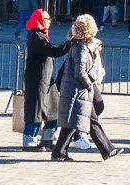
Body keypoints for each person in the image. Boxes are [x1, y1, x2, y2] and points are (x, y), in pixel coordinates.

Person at [50, 14, 120, 161]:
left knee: (82, 120)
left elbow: (86, 68)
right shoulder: (80, 48)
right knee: (80, 121)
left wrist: (94, 54)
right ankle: (105, 150)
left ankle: (106, 150)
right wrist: (88, 85)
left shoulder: (80, 47)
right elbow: (81, 71)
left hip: (77, 89)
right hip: (78, 90)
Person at [21, 9, 68, 150]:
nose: (49, 22)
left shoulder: (41, 35)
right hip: (37, 80)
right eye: (46, 19)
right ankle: (29, 142)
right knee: (35, 111)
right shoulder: (36, 36)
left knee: (54, 109)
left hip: (46, 80)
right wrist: (71, 43)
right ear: (39, 21)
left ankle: (48, 139)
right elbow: (54, 52)